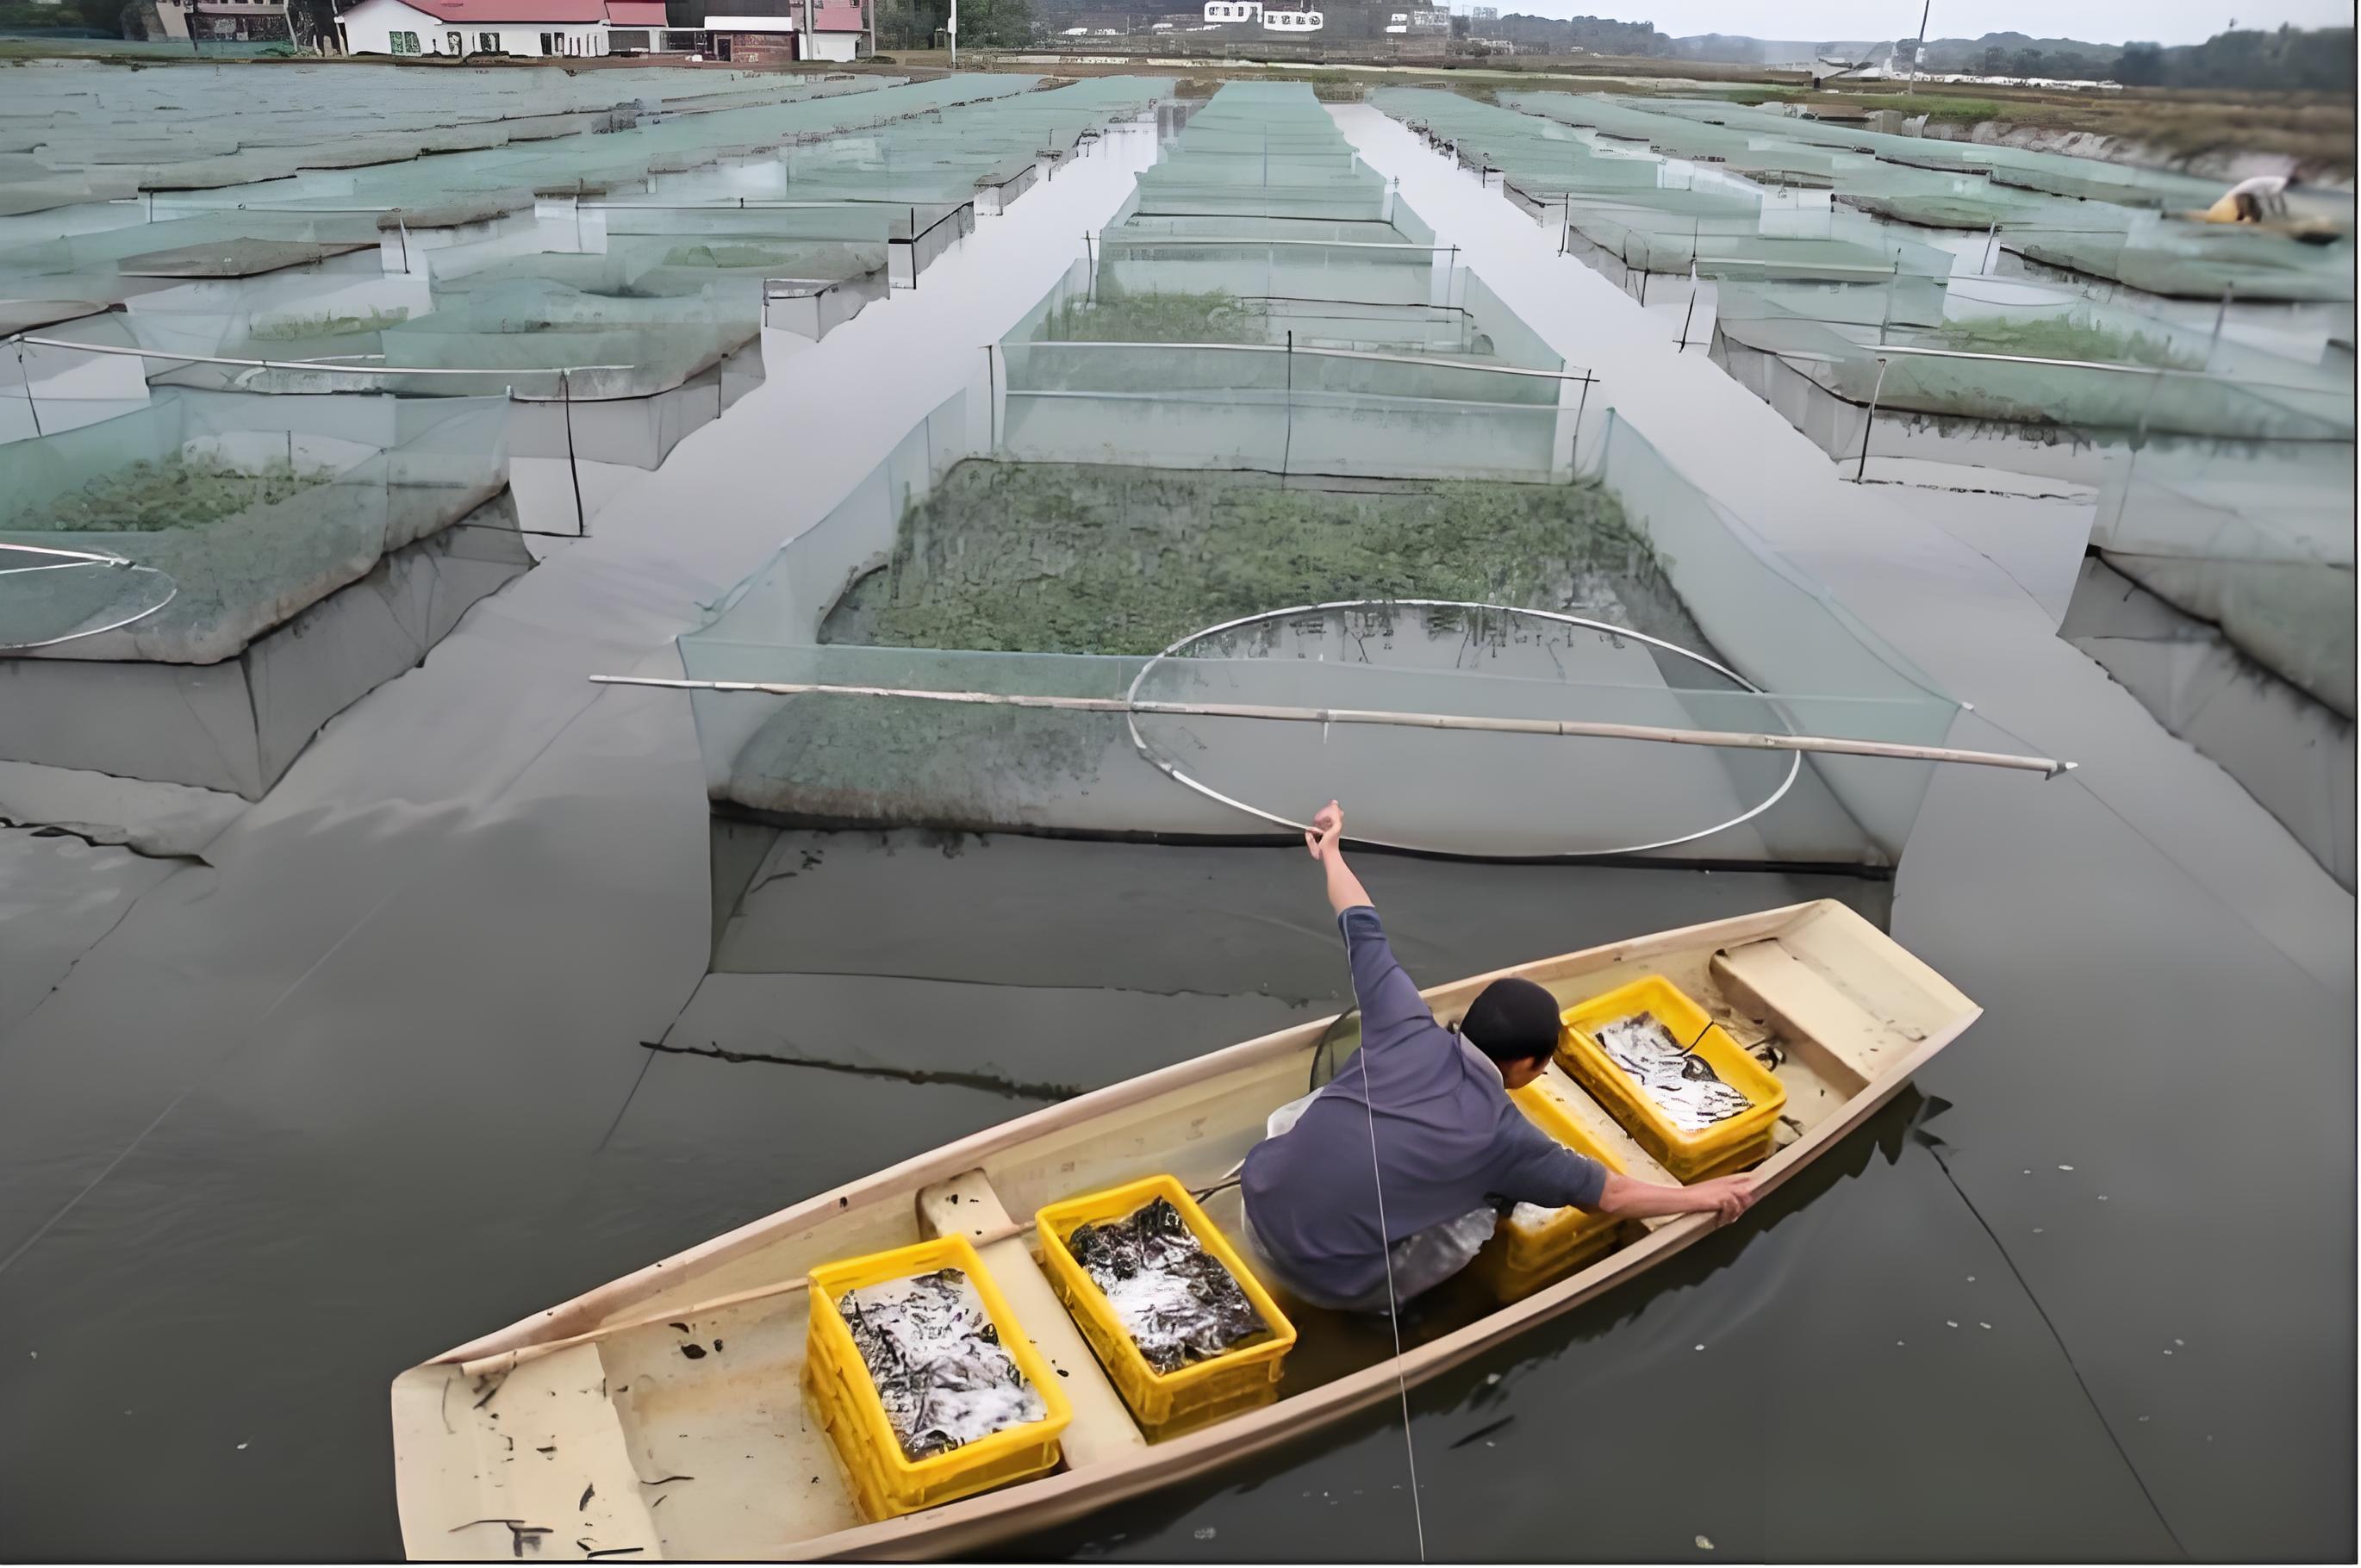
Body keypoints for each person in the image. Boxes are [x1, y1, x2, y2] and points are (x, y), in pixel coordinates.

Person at [1240, 800, 1760, 1314]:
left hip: (1254, 1210)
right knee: (1480, 1216)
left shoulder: (1402, 1018)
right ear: (1526, 1064)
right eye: (1544, 1064)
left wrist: (1331, 852)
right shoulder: (1505, 1139)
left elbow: (1359, 921)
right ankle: (1384, 1308)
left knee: (1315, 1109)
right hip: (1323, 1280)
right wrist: (1704, 1197)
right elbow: (1614, 1195)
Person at [2209, 172, 2301, 225]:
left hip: (2248, 194)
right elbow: (2273, 200)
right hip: (2244, 194)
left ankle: (2238, 222)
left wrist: (2281, 212)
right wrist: (2280, 214)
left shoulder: (2279, 181)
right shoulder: (2281, 183)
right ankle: (2237, 225)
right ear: (2291, 183)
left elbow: (2278, 199)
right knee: (2254, 214)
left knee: (2255, 213)